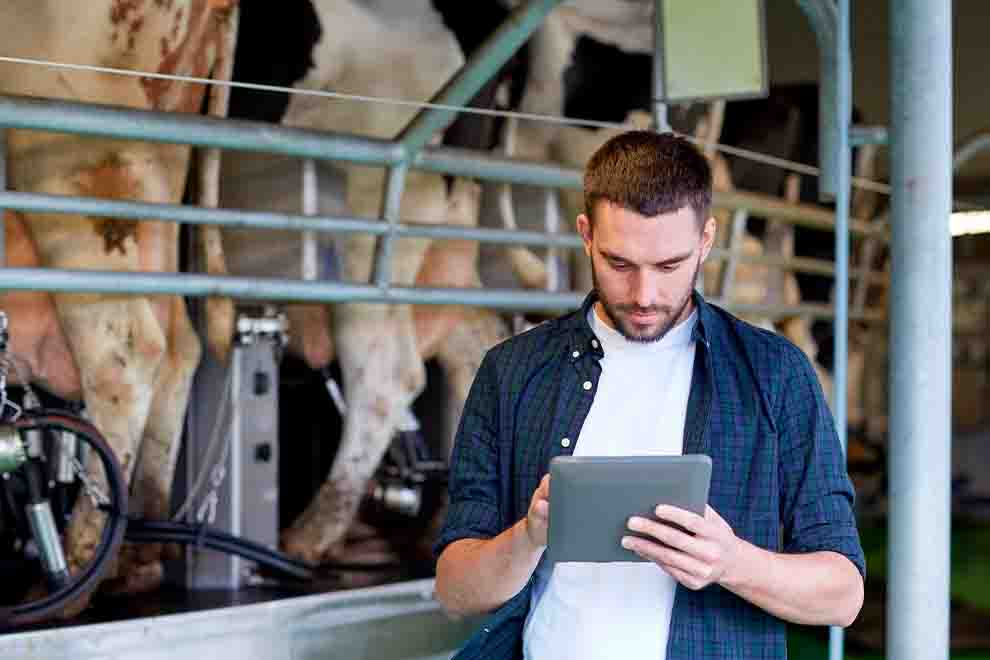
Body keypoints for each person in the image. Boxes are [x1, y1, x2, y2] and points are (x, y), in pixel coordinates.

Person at [433, 130, 865, 660]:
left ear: (706, 240)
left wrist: (731, 562)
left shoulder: (775, 374)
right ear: (586, 235)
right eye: (619, 264)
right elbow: (454, 591)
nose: (644, 295)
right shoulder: (514, 372)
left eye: (668, 266)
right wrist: (527, 536)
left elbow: (844, 594)